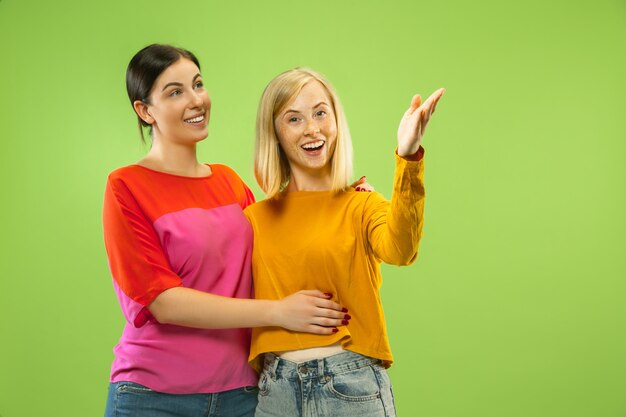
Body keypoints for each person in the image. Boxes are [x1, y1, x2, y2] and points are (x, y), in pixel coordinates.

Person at [102, 45, 350, 417]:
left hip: (242, 396)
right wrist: (278, 312)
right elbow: (163, 302)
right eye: (175, 92)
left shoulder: (229, 183)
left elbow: (281, 243)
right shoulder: (127, 186)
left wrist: (342, 199)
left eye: (198, 85)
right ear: (145, 110)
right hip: (152, 397)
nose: (196, 100)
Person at [244, 67, 444, 416]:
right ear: (274, 133)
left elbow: (401, 249)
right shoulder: (254, 219)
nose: (312, 128)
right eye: (294, 118)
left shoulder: (362, 204)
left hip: (350, 386)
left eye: (321, 112)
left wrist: (408, 155)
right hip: (275, 391)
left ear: (336, 120)